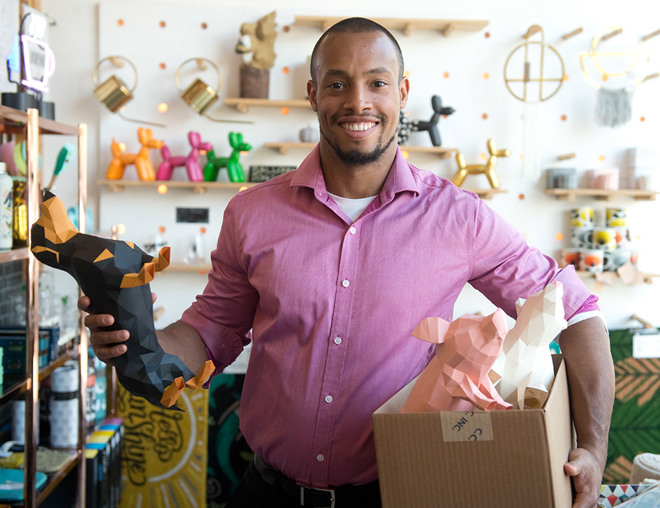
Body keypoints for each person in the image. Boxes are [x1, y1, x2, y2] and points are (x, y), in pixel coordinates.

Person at [81, 17, 614, 508]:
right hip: (266, 492)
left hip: (399, 492)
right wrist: (137, 341)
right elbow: (210, 331)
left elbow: (576, 310)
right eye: (337, 83)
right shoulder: (251, 213)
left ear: (402, 93)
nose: (358, 101)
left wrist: (592, 447)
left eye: (377, 83)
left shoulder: (459, 219)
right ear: (312, 94)